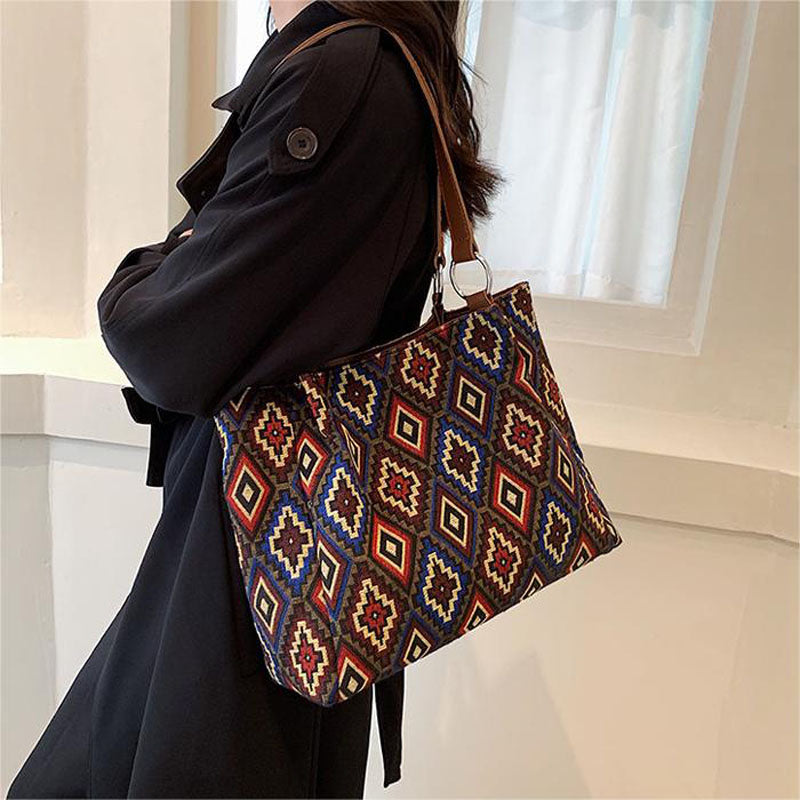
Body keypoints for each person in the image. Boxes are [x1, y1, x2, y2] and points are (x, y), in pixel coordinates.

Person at [8, 1, 499, 796]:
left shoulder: (344, 72)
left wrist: (139, 277)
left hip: (259, 548)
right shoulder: (372, 62)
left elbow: (165, 343)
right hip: (291, 536)